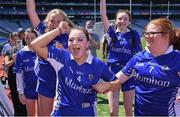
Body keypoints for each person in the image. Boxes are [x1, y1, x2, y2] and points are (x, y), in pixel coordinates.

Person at [93, 18, 180, 116]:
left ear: (166, 35)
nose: (147, 36)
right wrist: (106, 85)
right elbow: (119, 79)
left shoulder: (177, 59)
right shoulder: (139, 57)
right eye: (146, 33)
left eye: (152, 33)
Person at [30, 22, 117, 116]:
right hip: (62, 112)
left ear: (87, 43)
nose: (75, 43)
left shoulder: (97, 65)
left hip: (86, 112)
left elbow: (117, 83)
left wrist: (108, 85)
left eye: (80, 39)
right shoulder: (61, 57)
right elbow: (35, 45)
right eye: (71, 40)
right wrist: (58, 30)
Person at [26, 0, 70, 115]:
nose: (55, 23)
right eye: (52, 21)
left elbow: (79, 57)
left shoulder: (71, 36)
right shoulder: (42, 31)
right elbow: (31, 11)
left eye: (58, 21)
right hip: (45, 79)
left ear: (64, 22)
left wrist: (65, 51)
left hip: (65, 81)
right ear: (47, 21)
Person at [100, 0, 142, 116]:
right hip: (113, 73)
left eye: (125, 19)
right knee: (113, 112)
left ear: (129, 21)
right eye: (120, 18)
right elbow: (103, 14)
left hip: (129, 74)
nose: (122, 21)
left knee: (129, 111)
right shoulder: (111, 33)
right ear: (115, 20)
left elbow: (138, 56)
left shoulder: (134, 35)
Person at [13, 28, 39, 116]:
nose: (29, 40)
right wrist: (21, 93)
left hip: (43, 89)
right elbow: (18, 75)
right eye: (27, 38)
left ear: (37, 37)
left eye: (32, 38)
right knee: (30, 115)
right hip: (29, 89)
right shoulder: (21, 53)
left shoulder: (42, 50)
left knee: (43, 114)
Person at [4, 32, 27, 116]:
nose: (15, 41)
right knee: (15, 97)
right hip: (13, 77)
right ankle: (17, 114)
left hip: (24, 77)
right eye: (13, 39)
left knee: (24, 97)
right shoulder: (9, 51)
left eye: (17, 40)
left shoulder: (25, 49)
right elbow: (6, 64)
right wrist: (13, 60)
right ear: (10, 40)